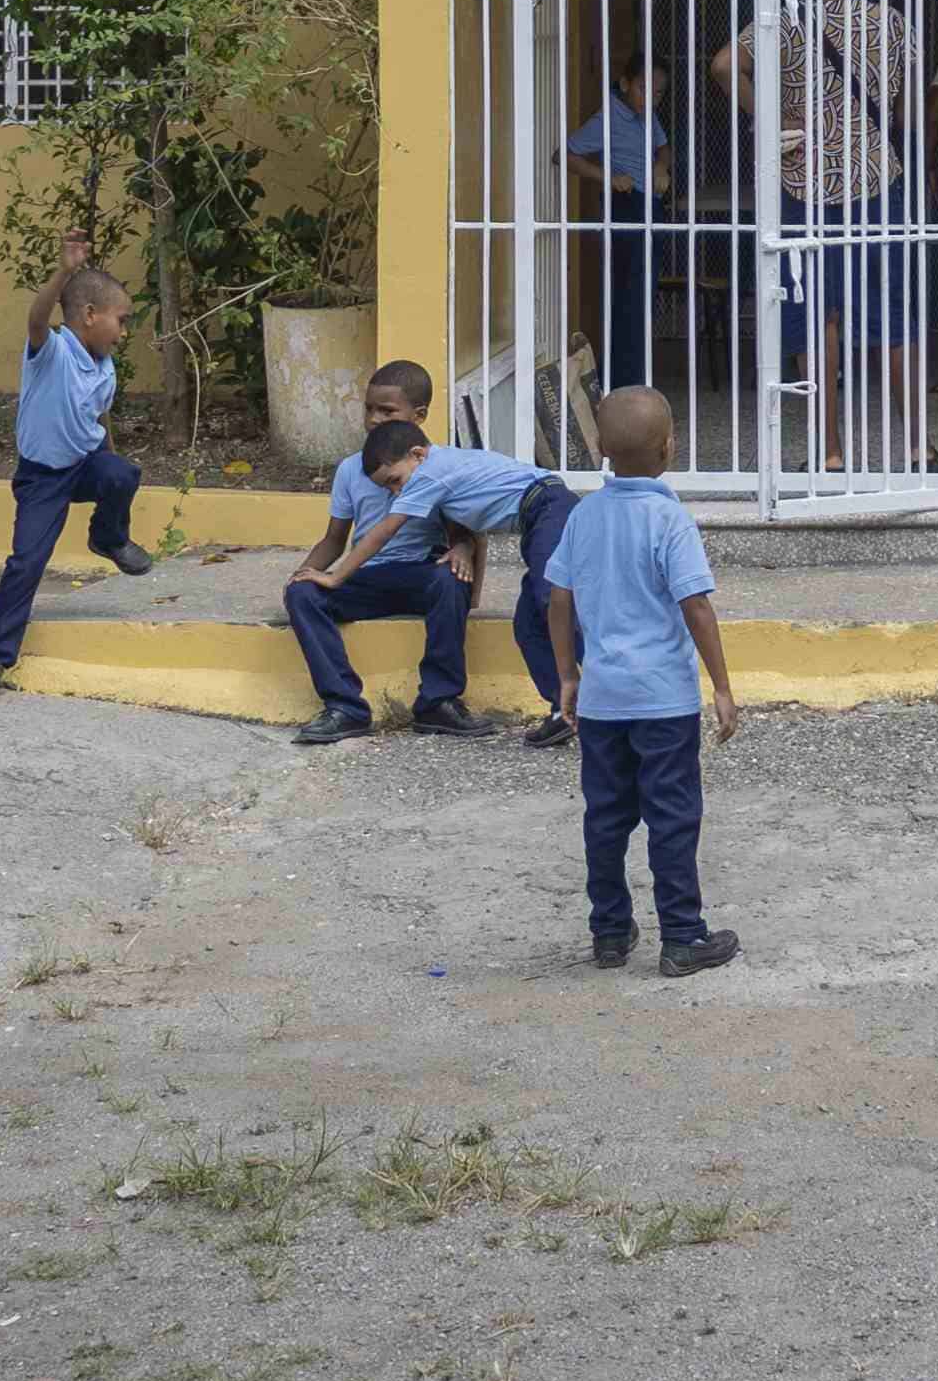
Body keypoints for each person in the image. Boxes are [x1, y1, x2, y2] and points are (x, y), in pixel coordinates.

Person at [544, 386, 742, 978]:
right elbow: (696, 607)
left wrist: (566, 675)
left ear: (600, 448)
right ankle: (682, 936)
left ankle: (608, 932)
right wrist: (723, 687)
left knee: (605, 817)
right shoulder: (670, 519)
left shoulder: (583, 515)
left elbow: (558, 599)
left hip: (604, 700)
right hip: (664, 702)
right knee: (672, 816)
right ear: (671, 447)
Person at [715, 0, 919, 473]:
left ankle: (829, 450)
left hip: (805, 184)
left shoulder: (784, 19)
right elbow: (908, 112)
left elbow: (724, 66)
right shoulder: (890, 19)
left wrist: (767, 116)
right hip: (874, 179)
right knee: (889, 311)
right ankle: (916, 445)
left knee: (815, 316)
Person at [0, 257, 145, 699]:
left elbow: (99, 418)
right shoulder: (52, 351)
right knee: (26, 562)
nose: (124, 332)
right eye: (121, 320)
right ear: (89, 315)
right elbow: (37, 317)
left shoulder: (105, 366)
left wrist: (112, 470)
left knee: (123, 474)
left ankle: (108, 538)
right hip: (42, 479)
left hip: (84, 463)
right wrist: (63, 272)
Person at [280, 415, 521, 745]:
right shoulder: (352, 470)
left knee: (450, 580)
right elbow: (334, 539)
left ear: (418, 416)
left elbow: (462, 531)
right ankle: (345, 708)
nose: (377, 417)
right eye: (370, 408)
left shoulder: (434, 468)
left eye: (388, 409)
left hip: (423, 572)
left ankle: (439, 702)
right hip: (365, 577)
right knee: (302, 594)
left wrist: (462, 549)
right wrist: (303, 577)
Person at [565, 52, 679, 390]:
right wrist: (607, 177)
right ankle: (624, 386)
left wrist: (662, 166)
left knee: (642, 296)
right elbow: (565, 154)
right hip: (627, 206)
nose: (652, 98)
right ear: (626, 83)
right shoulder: (608, 119)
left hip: (651, 207)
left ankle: (636, 382)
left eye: (659, 93)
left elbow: (664, 147)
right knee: (628, 300)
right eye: (645, 89)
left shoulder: (647, 115)